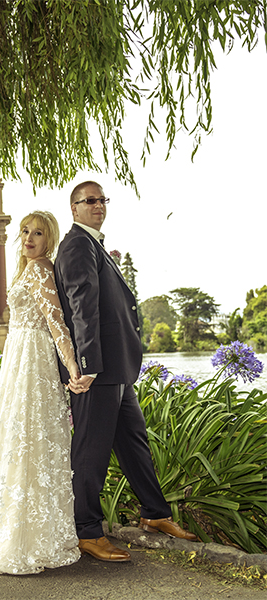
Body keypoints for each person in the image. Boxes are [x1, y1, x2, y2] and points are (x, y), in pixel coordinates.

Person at [54, 181, 197, 563]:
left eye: (102, 200)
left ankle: (154, 513)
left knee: (134, 443)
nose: (98, 205)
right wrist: (87, 366)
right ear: (74, 208)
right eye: (90, 200)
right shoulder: (76, 245)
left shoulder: (95, 244)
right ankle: (86, 531)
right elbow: (82, 307)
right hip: (97, 371)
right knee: (90, 452)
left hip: (116, 368)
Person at [0, 211, 82, 575]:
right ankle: (20, 522)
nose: (29, 238)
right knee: (23, 438)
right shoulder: (29, 267)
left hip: (33, 360)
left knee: (29, 437)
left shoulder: (40, 269)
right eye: (25, 231)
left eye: (39, 233)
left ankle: (28, 532)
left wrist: (74, 366)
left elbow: (56, 322)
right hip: (19, 357)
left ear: (50, 239)